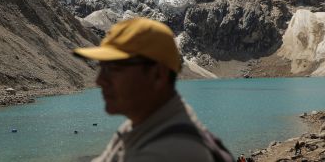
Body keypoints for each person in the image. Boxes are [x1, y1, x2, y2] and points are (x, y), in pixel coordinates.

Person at [74, 17, 232, 162]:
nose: (99, 80)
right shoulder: (145, 122)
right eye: (102, 67)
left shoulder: (167, 153)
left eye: (113, 68)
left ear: (157, 74)